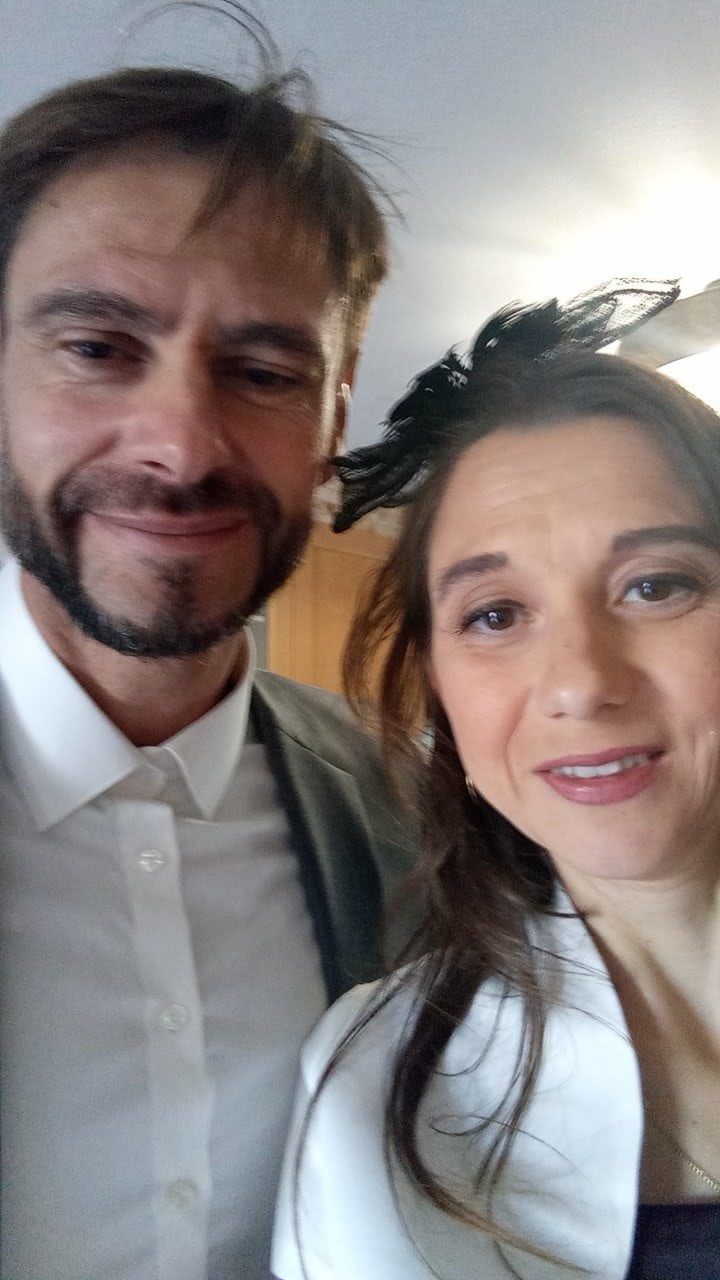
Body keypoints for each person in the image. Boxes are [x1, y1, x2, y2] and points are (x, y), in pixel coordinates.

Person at [0, 23, 417, 1280]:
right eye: (96, 348)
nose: (181, 446)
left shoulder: (414, 812)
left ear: (334, 412)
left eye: (264, 369)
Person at [272, 279, 720, 1280]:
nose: (579, 683)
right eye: (495, 614)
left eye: (655, 586)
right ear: (440, 687)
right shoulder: (371, 1084)